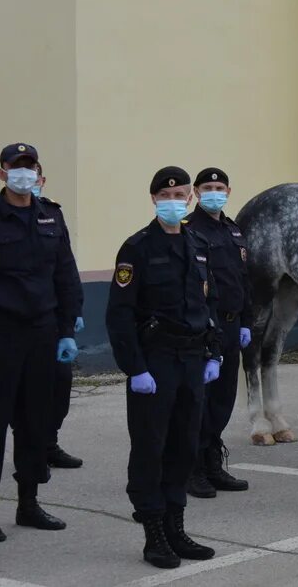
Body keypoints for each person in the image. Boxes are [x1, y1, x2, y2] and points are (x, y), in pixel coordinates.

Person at [106, 166, 224, 569]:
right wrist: (134, 368)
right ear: (154, 199)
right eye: (166, 196)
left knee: (183, 446)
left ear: (190, 199)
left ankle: (176, 526)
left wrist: (214, 353)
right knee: (150, 448)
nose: (174, 202)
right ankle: (153, 532)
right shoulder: (137, 247)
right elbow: (119, 315)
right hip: (155, 364)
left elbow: (207, 305)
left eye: (181, 196)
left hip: (192, 361)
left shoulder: (198, 243)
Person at [0, 143, 82, 543]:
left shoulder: (51, 214)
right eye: (17, 168)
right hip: (2, 333)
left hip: (43, 333)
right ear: (3, 173)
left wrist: (67, 327)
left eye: (30, 167)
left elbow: (65, 272)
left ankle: (28, 503)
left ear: (38, 172)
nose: (24, 174)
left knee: (35, 423)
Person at [183, 168, 252, 498]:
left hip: (232, 323)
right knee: (201, 400)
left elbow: (243, 281)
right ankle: (192, 467)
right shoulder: (190, 231)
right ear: (195, 192)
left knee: (223, 399)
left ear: (228, 190)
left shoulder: (233, 231)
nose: (214, 192)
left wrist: (247, 322)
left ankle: (212, 463)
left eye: (219, 187)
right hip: (205, 327)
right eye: (207, 187)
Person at [31, 162, 86, 470]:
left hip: (52, 319)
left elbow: (66, 267)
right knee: (21, 393)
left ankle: (48, 442)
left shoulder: (52, 214)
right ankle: (32, 447)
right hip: (13, 323)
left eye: (34, 175)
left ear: (43, 180)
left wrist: (73, 310)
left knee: (59, 383)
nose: (28, 180)